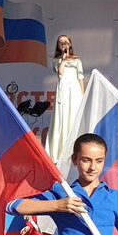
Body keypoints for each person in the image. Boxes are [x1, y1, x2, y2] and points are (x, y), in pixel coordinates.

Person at [44, 34, 84, 163]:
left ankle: (75, 150)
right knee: (62, 117)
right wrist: (64, 57)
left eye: (65, 42)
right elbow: (60, 72)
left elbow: (80, 78)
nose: (63, 44)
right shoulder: (57, 59)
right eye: (60, 42)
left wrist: (83, 95)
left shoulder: (77, 60)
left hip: (75, 91)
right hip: (63, 90)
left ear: (70, 44)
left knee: (73, 117)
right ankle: (59, 152)